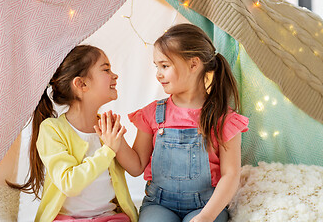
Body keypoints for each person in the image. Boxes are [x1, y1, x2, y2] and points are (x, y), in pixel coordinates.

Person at [104, 24, 249, 222]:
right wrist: (117, 142)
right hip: (159, 204)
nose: (158, 74)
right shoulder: (153, 113)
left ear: (193, 64)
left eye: (165, 66)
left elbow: (230, 175)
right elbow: (137, 166)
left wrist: (206, 216)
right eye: (157, 66)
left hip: (206, 206)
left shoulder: (223, 119)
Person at [8, 45, 138, 222]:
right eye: (106, 69)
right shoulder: (52, 130)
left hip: (108, 218)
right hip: (66, 219)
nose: (114, 75)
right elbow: (69, 184)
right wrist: (108, 150)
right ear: (81, 84)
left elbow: (135, 169)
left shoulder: (107, 126)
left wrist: (117, 140)